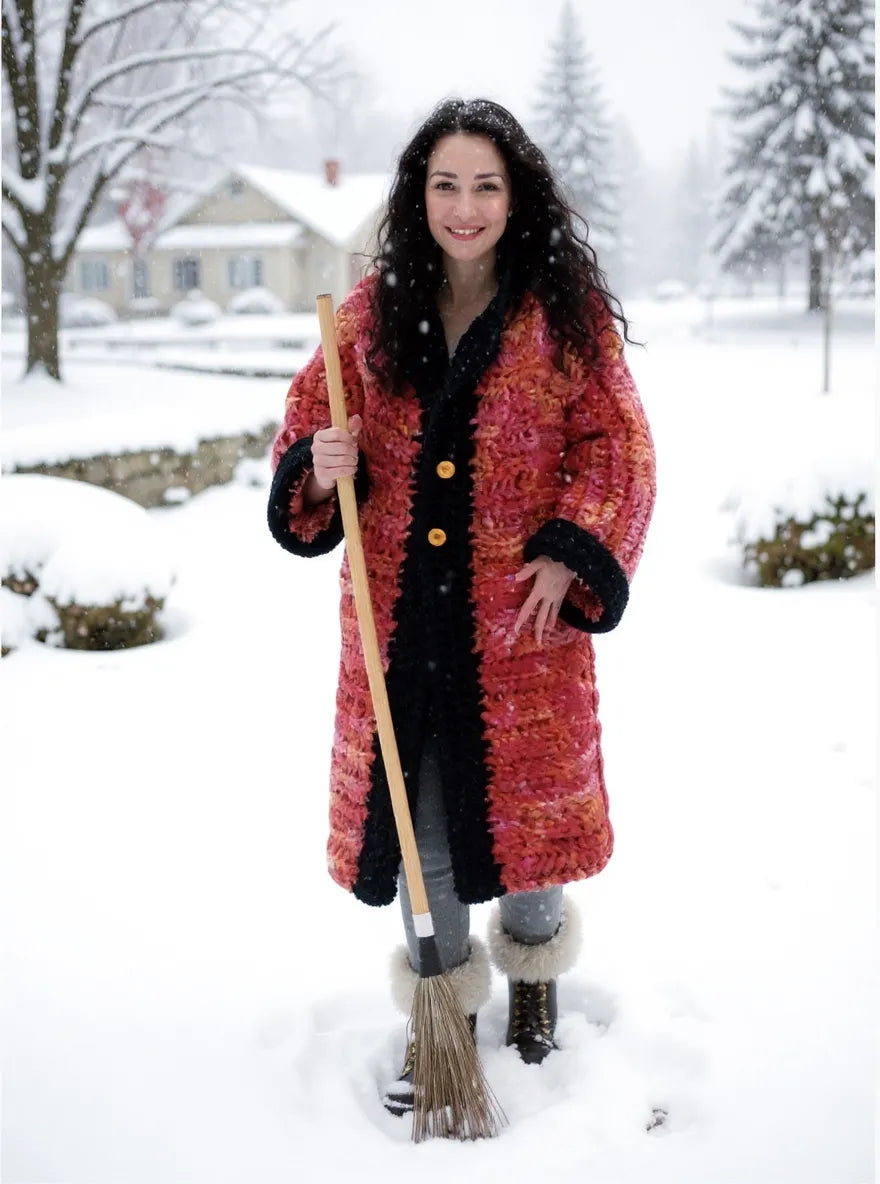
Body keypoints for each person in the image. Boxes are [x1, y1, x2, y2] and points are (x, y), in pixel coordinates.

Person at [267, 97, 656, 1116]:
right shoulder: (364, 319)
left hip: (519, 640)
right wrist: (317, 464)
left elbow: (617, 449)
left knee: (530, 841)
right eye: (445, 183)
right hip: (400, 637)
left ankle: (532, 978)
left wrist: (575, 550)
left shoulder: (564, 317)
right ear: (417, 195)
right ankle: (437, 1019)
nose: (465, 205)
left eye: (486, 183)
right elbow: (305, 436)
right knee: (418, 834)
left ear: (516, 192)